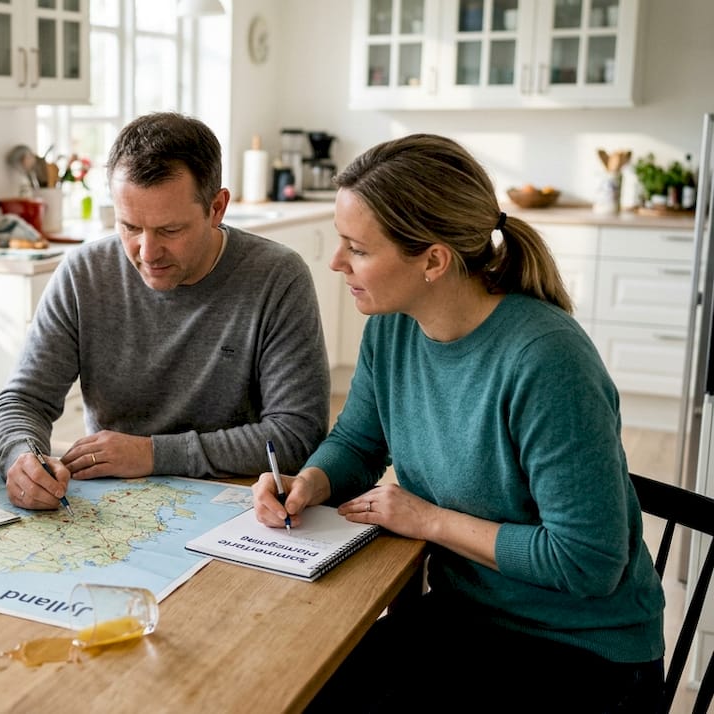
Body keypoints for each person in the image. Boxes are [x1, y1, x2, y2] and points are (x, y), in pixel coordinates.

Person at [251, 134, 664, 712]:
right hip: (463, 618)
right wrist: (310, 482)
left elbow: (587, 562)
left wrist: (427, 519)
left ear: (434, 260)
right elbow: (359, 441)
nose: (336, 262)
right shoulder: (394, 326)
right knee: (297, 691)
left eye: (357, 248)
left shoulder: (546, 360)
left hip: (579, 651)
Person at [0, 112, 331, 510]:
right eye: (130, 227)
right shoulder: (84, 272)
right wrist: (22, 457)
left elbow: (296, 435)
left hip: (241, 505)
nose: (147, 254)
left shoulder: (277, 277)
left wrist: (153, 454)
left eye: (170, 230)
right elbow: (22, 402)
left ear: (217, 207)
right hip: (114, 508)